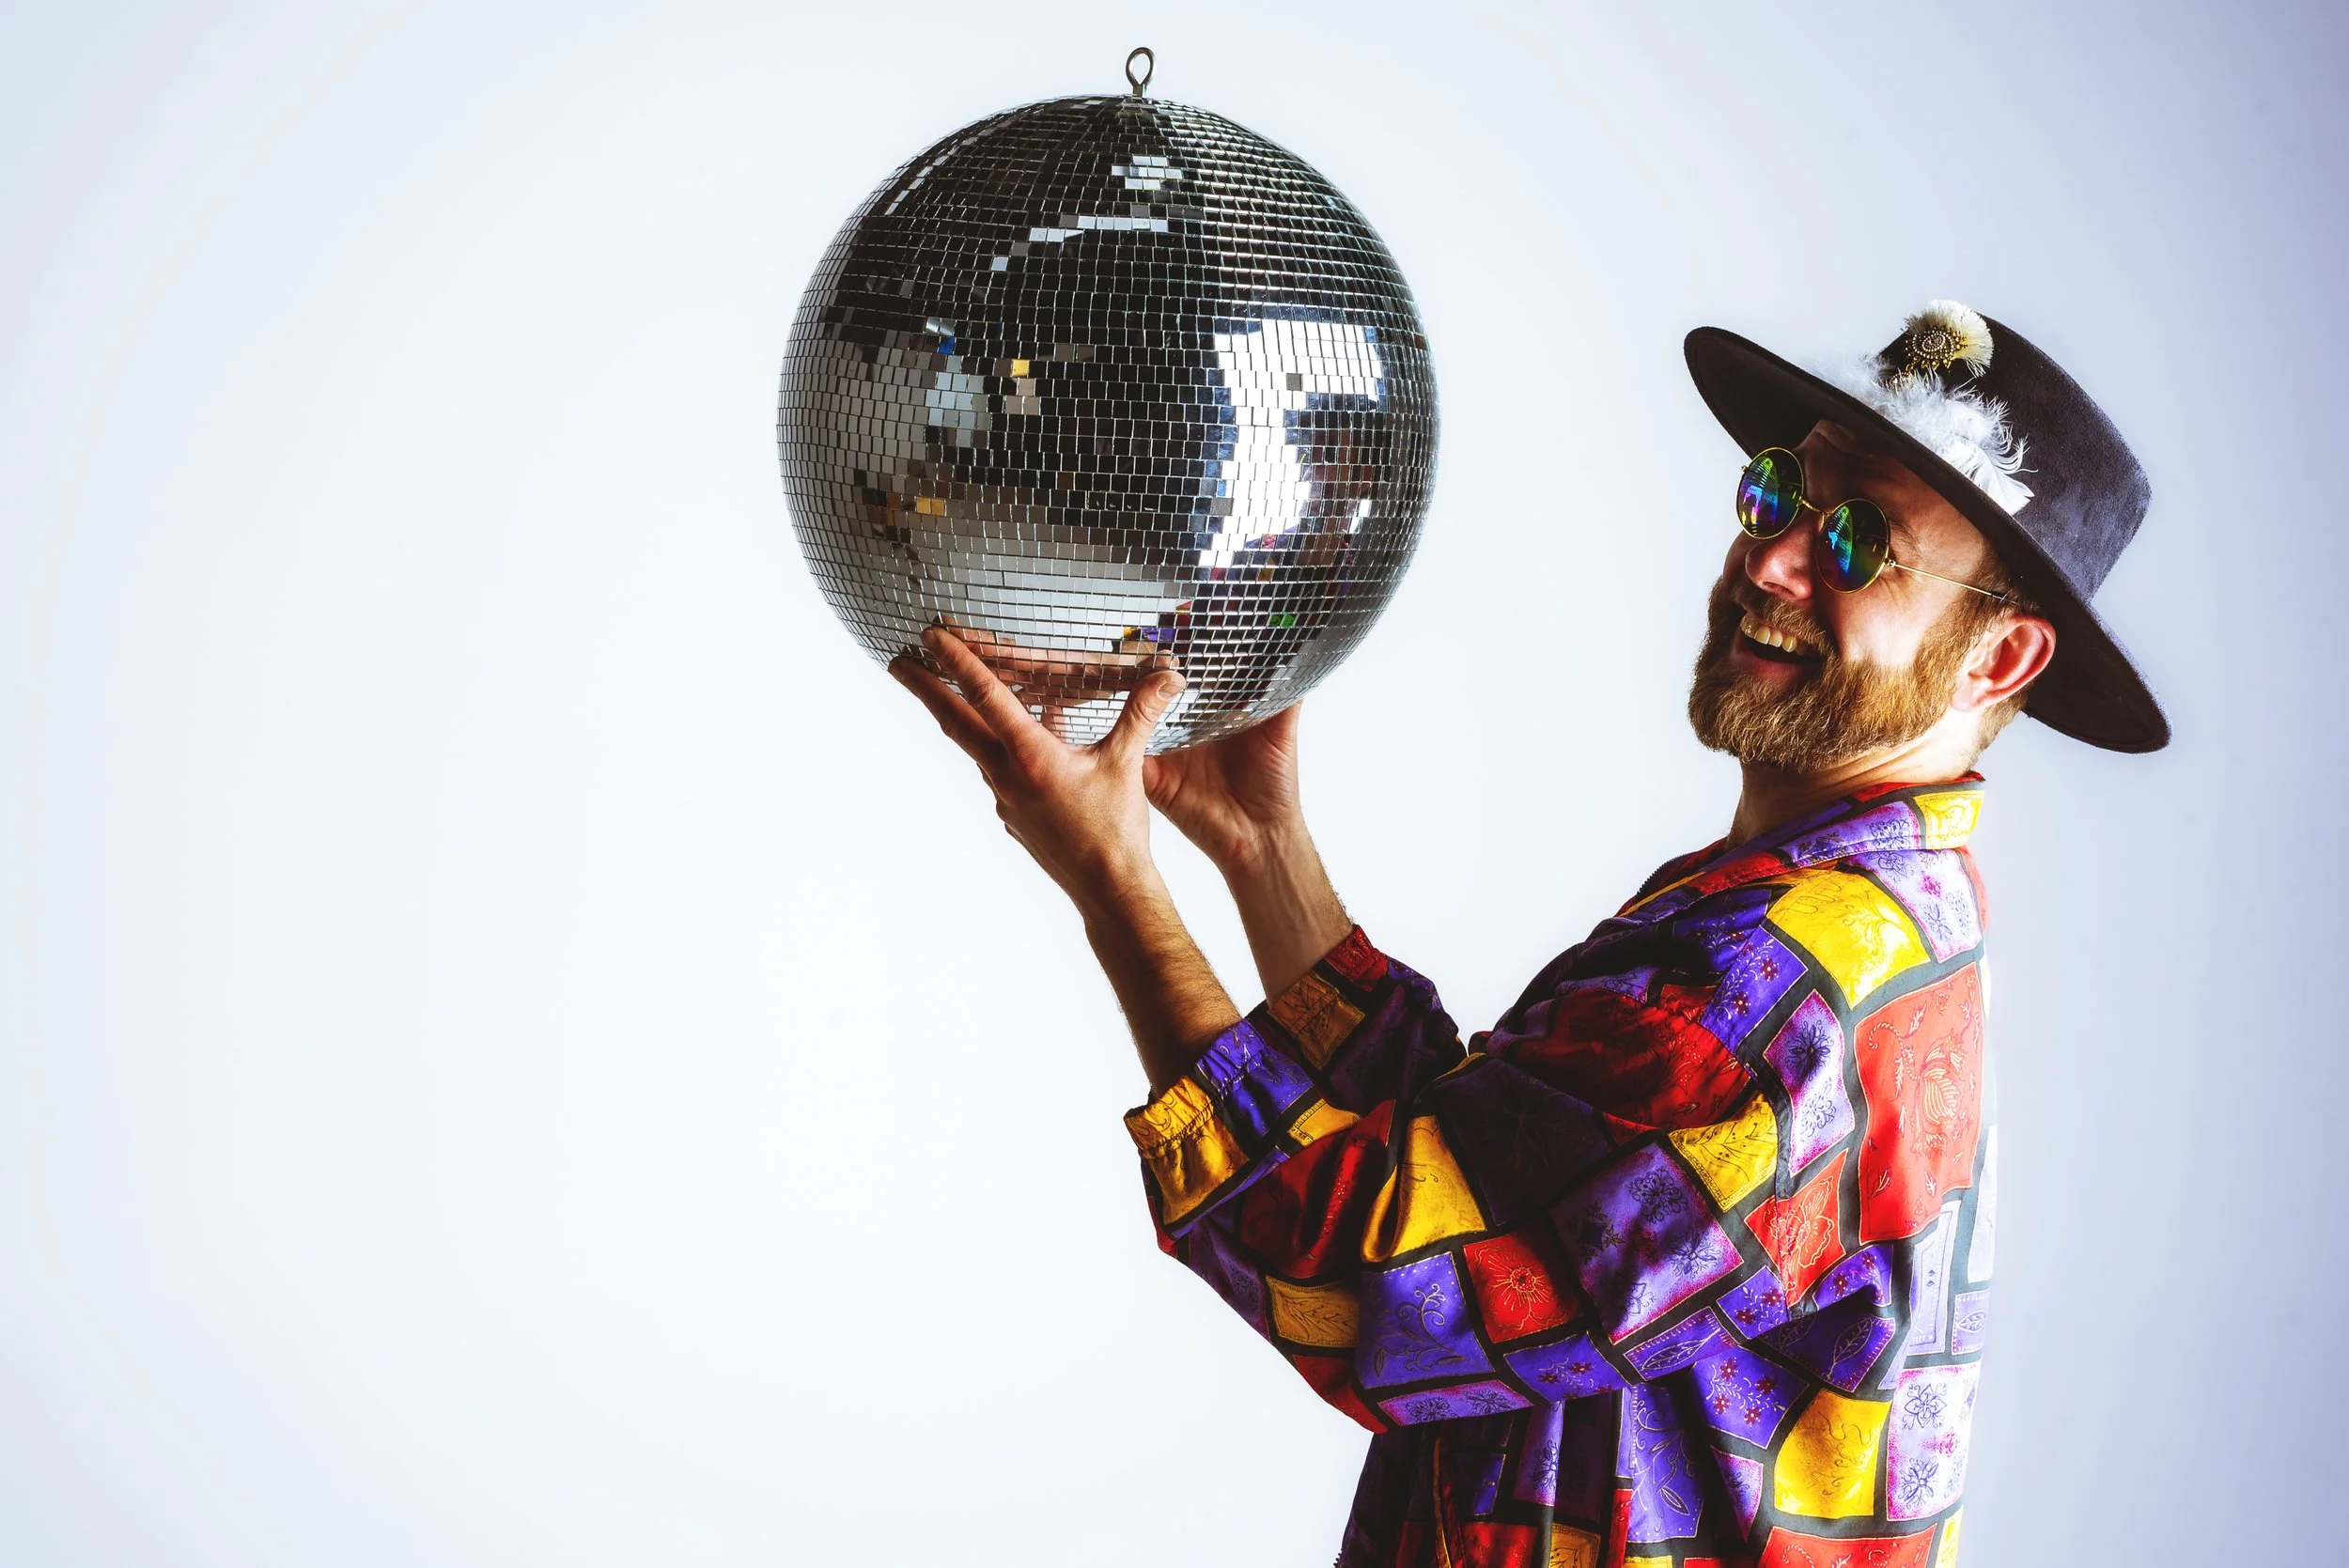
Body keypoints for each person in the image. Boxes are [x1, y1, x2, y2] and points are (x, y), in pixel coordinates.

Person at [891, 301, 2165, 1567]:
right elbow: (1501, 1191)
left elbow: (1371, 1285)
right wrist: (1260, 843)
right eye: (1781, 493)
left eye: (1858, 539)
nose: (1771, 560)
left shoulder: (1776, 979)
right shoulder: (1856, 905)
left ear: (2001, 658)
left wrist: (1113, 880)